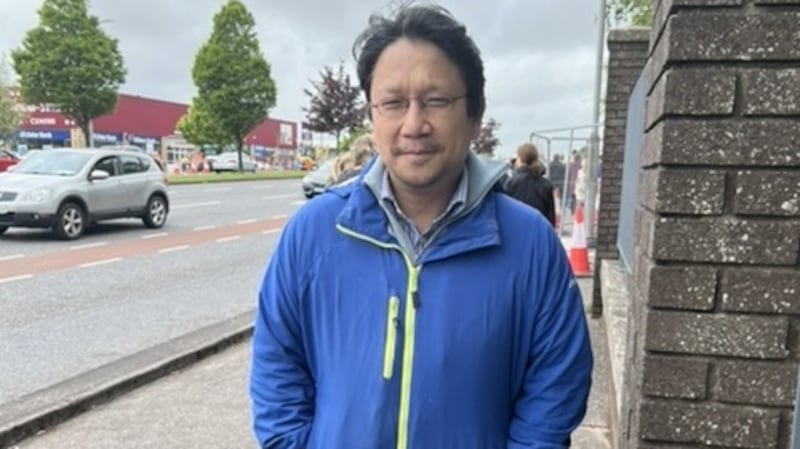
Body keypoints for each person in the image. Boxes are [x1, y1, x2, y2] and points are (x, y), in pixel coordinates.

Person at [249, 5, 593, 449]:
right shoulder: (312, 234)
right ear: (373, 115)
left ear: (475, 113)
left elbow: (556, 387)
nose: (414, 125)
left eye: (436, 100)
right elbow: (277, 368)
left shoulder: (529, 244)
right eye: (393, 103)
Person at [504, 143, 557, 226]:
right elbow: (550, 216)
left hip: (517, 227)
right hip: (539, 228)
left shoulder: (511, 183)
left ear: (520, 159)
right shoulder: (546, 185)